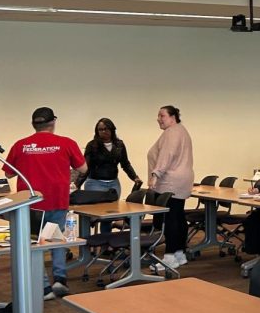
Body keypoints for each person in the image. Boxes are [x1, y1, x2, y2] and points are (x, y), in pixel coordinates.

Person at [4, 106, 87, 298]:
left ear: (34, 124)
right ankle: (60, 279)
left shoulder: (20, 145)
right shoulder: (66, 143)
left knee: (35, 244)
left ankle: (43, 287)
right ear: (53, 123)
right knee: (56, 239)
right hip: (57, 199)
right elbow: (83, 169)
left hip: (30, 203)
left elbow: (8, 173)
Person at [148, 104, 195, 273]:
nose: (158, 119)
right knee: (178, 216)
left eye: (162, 116)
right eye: (158, 116)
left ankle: (169, 258)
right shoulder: (181, 130)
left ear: (173, 117)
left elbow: (166, 155)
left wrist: (155, 174)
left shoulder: (172, 132)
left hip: (170, 181)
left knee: (171, 220)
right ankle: (179, 254)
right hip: (181, 180)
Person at [82, 117, 141, 198]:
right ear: (97, 131)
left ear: (112, 129)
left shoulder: (119, 145)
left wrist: (134, 177)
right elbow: (85, 167)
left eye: (106, 129)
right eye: (100, 129)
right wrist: (77, 184)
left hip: (114, 184)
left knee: (113, 209)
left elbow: (125, 164)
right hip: (95, 184)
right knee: (96, 209)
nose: (103, 131)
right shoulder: (92, 145)